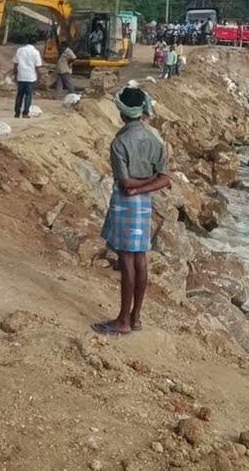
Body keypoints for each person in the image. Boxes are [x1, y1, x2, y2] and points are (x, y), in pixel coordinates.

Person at [93, 87, 171, 336]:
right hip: (144, 202)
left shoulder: (120, 142)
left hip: (125, 202)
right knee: (140, 259)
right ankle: (135, 317)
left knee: (127, 261)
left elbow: (125, 182)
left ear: (122, 112)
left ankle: (122, 320)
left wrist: (135, 187)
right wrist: (146, 184)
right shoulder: (154, 139)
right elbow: (164, 178)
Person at [12, 41, 42, 118]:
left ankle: (17, 113)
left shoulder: (20, 50)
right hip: (31, 77)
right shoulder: (36, 52)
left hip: (21, 76)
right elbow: (38, 67)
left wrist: (15, 74)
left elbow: (15, 64)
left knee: (19, 95)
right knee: (28, 95)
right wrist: (39, 77)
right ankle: (25, 113)